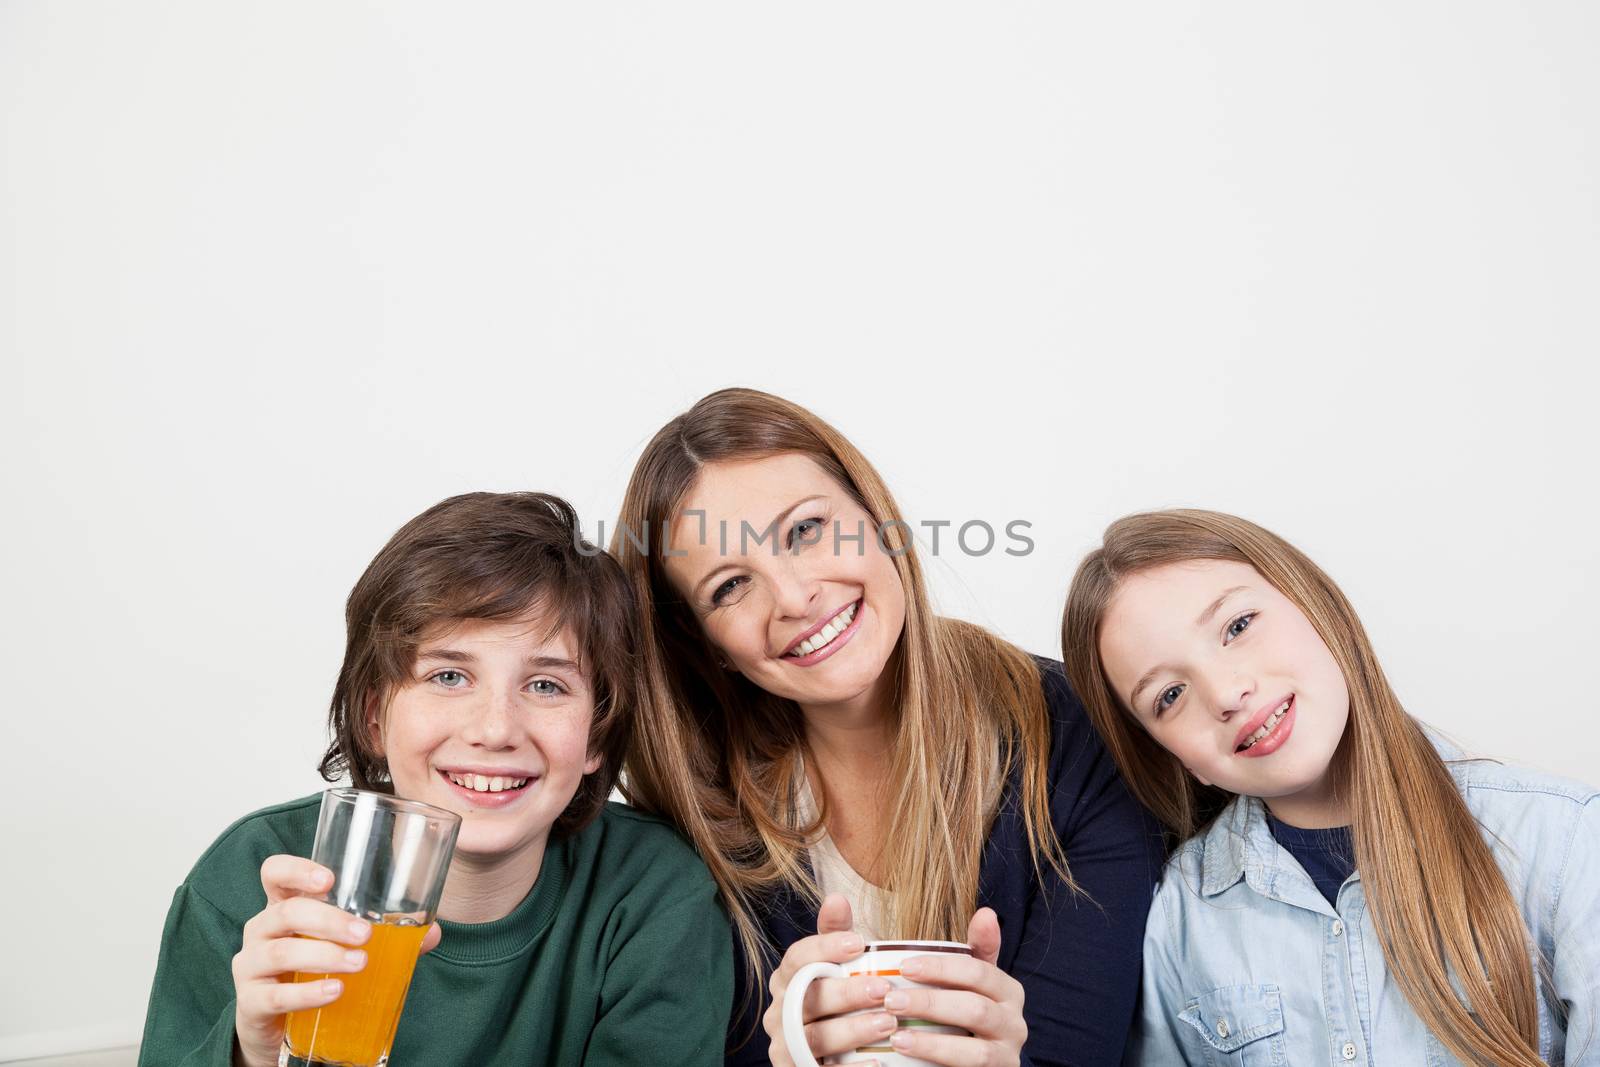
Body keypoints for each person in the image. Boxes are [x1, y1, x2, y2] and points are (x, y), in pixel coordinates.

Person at [609, 388, 1165, 1067]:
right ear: (707, 646)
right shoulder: (696, 826)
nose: (793, 596)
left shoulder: (1071, 734)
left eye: (807, 530)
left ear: (878, 518)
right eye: (730, 585)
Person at [138, 492, 732, 1066]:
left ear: (596, 737)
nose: (495, 729)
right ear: (374, 716)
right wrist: (254, 1054)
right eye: (448, 676)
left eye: (546, 685)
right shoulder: (253, 879)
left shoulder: (653, 893)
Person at [1060, 508, 1600, 1065]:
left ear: (1318, 605)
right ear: (1172, 755)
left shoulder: (1563, 842)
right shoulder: (1178, 918)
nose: (1225, 693)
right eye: (1169, 696)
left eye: (1238, 626)